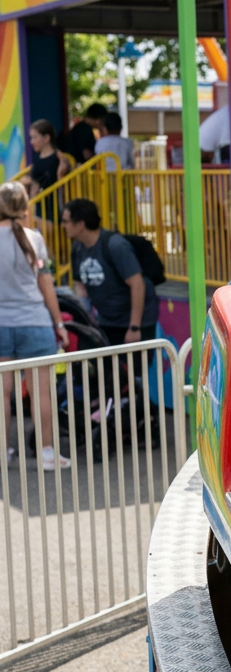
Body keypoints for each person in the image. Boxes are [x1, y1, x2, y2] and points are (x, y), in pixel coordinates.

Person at [0, 182, 70, 470]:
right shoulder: (35, 239)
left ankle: (2, 453)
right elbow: (46, 285)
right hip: (36, 322)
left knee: (2, 393)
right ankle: (48, 454)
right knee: (42, 393)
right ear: (24, 207)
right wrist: (58, 323)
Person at [63, 198, 158, 346]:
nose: (63, 226)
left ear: (80, 224)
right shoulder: (77, 248)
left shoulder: (115, 245)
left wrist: (134, 327)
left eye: (66, 221)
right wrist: (88, 320)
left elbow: (137, 284)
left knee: (136, 367)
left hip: (134, 320)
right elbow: (81, 286)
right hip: (107, 320)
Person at [23, 120, 69, 200]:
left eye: (35, 137)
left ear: (46, 138)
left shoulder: (58, 158)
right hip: (39, 204)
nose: (32, 142)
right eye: (31, 138)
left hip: (54, 203)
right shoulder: (36, 159)